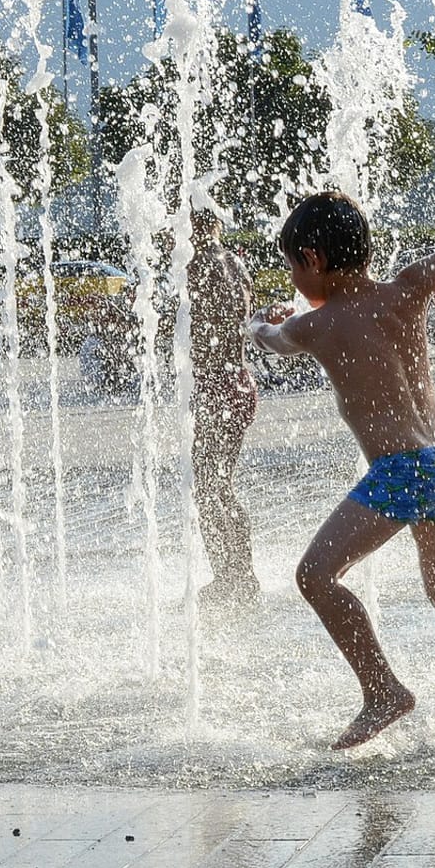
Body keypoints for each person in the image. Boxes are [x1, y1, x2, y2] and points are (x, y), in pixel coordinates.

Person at [248, 99, 435, 749]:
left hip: (402, 470)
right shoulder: (408, 288)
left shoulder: (316, 324)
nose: (294, 278)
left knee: (315, 576)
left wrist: (254, 323)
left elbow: (275, 339)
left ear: (312, 260)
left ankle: (382, 691)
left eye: (294, 267)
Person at [188, 209, 261, 610]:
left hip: (216, 389)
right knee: (219, 484)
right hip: (238, 382)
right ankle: (240, 574)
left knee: (208, 487)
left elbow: (192, 326)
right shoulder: (235, 263)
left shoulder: (198, 265)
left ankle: (231, 577)